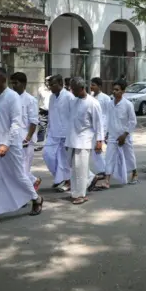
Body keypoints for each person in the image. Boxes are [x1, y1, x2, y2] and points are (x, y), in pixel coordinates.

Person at [0, 68, 44, 228]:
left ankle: (36, 199)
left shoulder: (12, 97)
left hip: (11, 145)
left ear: (3, 79)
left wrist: (6, 143)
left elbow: (16, 123)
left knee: (17, 175)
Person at [65, 77, 103, 205]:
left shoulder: (93, 103)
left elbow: (99, 124)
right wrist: (67, 141)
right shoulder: (73, 101)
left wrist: (99, 141)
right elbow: (71, 122)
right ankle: (75, 192)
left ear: (81, 88)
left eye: (74, 89)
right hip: (72, 139)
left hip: (84, 140)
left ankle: (81, 195)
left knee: (81, 168)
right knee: (74, 168)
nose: (72, 92)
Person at [95, 80, 138, 189]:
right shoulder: (110, 104)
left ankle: (134, 173)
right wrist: (106, 133)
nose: (114, 92)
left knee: (129, 156)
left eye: (117, 90)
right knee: (109, 157)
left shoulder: (128, 104)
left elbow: (133, 121)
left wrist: (125, 134)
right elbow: (107, 119)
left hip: (125, 135)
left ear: (123, 91)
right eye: (113, 90)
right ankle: (107, 180)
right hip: (113, 135)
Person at [10, 72, 42, 191]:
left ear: (23, 84)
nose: (13, 85)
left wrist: (27, 138)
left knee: (23, 169)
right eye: (12, 83)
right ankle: (33, 181)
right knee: (15, 169)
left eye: (16, 83)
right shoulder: (11, 98)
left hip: (26, 140)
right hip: (14, 138)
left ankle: (25, 194)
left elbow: (33, 122)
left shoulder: (30, 100)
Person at [43, 74, 74, 192]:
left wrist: (71, 134)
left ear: (61, 83)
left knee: (65, 160)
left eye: (53, 84)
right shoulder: (51, 97)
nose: (50, 87)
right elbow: (51, 115)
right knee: (47, 155)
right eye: (49, 85)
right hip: (53, 132)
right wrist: (48, 130)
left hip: (66, 134)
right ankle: (60, 177)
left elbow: (73, 116)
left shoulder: (69, 97)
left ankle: (68, 181)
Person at [90, 77, 111, 177]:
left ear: (99, 86)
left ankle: (104, 170)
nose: (91, 87)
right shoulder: (91, 97)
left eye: (94, 85)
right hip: (93, 127)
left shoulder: (105, 98)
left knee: (98, 149)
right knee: (95, 150)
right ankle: (101, 170)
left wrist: (107, 131)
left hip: (102, 127)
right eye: (91, 84)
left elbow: (108, 114)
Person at [35, 76, 52, 151]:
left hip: (52, 111)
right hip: (43, 111)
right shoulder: (41, 89)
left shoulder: (53, 89)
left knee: (51, 129)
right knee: (42, 128)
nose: (47, 82)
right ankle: (39, 144)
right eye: (46, 80)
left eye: (49, 80)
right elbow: (37, 100)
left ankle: (49, 145)